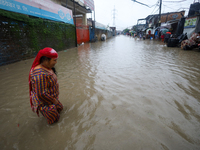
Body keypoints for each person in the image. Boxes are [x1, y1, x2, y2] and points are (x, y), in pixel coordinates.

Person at [29, 47, 63, 124]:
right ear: (45, 60)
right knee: (55, 119)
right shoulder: (39, 74)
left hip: (51, 99)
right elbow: (41, 94)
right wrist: (54, 101)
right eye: (54, 60)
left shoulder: (47, 67)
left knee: (60, 109)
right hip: (44, 102)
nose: (56, 62)